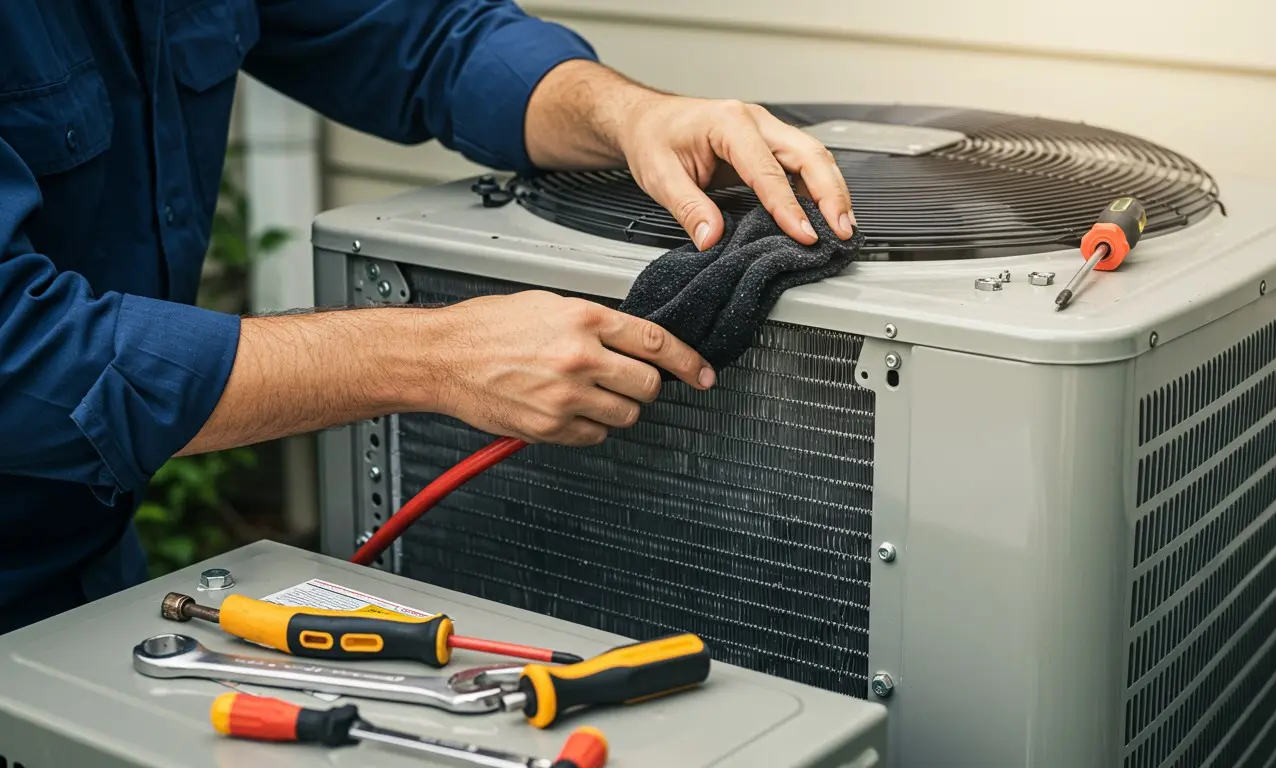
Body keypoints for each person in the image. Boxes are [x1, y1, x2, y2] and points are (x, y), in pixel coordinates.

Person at [0, 1, 855, 635]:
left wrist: (630, 114)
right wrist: (434, 354)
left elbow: (431, 39)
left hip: (88, 556)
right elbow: (27, 358)